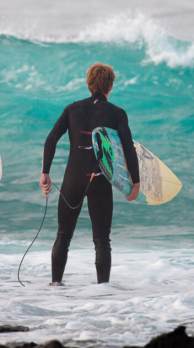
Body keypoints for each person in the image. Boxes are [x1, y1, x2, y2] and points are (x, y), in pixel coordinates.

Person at [40, 63, 140, 285]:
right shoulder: (117, 114)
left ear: (88, 84)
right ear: (111, 85)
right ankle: (103, 290)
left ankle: (55, 284)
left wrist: (45, 172)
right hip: (101, 180)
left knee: (63, 236)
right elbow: (128, 149)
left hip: (72, 180)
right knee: (102, 240)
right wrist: (136, 182)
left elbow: (51, 139)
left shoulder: (72, 109)